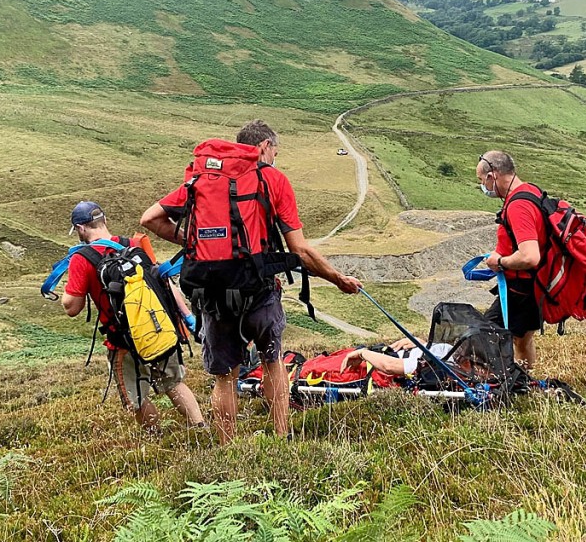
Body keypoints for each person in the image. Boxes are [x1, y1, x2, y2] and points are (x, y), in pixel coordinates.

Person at [141, 119, 363, 443]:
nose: (276, 157)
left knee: (224, 377)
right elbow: (298, 249)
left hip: (214, 293)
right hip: (259, 291)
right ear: (263, 147)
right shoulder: (273, 179)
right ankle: (280, 438)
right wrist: (337, 278)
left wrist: (195, 243)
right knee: (272, 361)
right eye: (276, 150)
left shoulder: (204, 180)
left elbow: (149, 219)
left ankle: (228, 448)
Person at [60, 201, 205, 431]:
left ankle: (154, 437)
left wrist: (63, 295)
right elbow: (163, 281)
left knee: (135, 398)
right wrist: (187, 318)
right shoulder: (133, 245)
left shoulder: (82, 258)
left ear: (80, 229)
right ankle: (200, 428)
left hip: (122, 342)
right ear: (104, 220)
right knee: (174, 383)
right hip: (158, 329)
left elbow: (72, 308)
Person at [476, 151, 547, 371]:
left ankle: (498, 384)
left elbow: (529, 256)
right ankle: (525, 379)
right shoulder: (531, 191)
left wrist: (501, 261)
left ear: (493, 176)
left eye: (481, 180)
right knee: (522, 339)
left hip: (521, 289)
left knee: (484, 336)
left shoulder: (518, 206)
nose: (483, 187)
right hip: (535, 285)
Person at [340, 337, 452, 377]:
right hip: (384, 353)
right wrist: (421, 343)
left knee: (330, 366)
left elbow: (389, 366)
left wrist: (363, 353)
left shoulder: (444, 366)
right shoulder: (453, 351)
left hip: (373, 366)